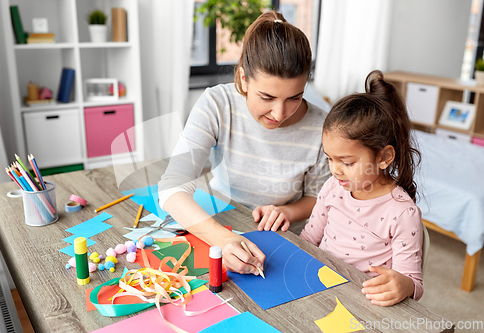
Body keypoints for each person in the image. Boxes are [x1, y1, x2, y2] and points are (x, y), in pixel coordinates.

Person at [158, 11, 329, 275]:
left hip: (283, 241)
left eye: (294, 97)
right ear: (243, 78)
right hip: (216, 226)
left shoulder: (322, 126)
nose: (279, 114)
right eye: (267, 96)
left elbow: (318, 198)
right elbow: (172, 188)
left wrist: (287, 211)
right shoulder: (217, 103)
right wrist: (223, 239)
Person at [298, 70, 424, 306]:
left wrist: (403, 285)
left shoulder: (402, 213)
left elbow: (414, 284)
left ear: (384, 157)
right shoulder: (332, 188)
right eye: (329, 159)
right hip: (318, 287)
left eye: (347, 162)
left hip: (364, 301)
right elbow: (308, 240)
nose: (336, 170)